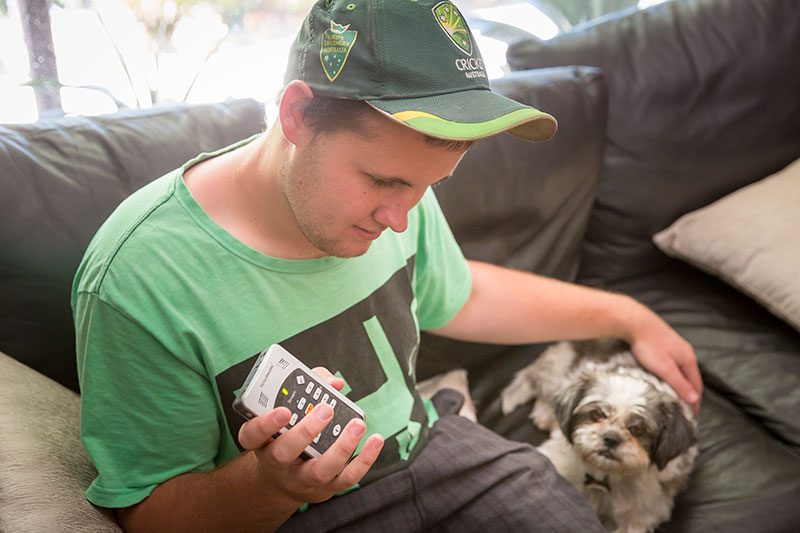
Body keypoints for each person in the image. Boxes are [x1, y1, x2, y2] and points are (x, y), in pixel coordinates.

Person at [72, 0, 702, 531]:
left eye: (427, 186)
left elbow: (460, 297)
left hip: (432, 446)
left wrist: (627, 313)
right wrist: (273, 483)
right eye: (383, 181)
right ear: (296, 115)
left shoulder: (396, 198)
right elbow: (149, 511)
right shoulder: (141, 277)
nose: (401, 218)